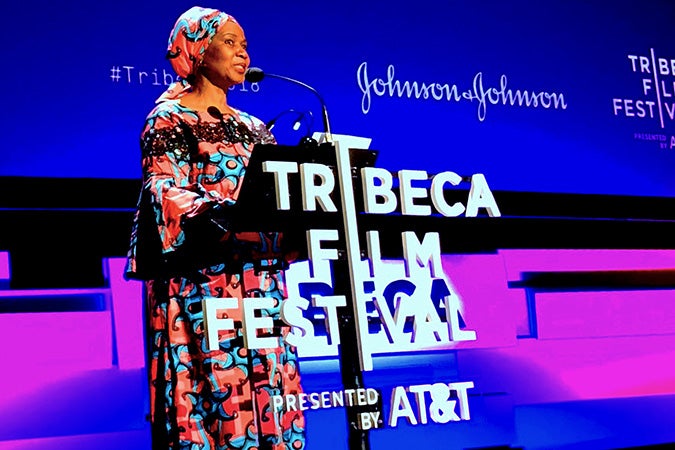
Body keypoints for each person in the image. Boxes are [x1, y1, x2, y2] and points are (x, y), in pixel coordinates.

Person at [124, 6, 306, 450]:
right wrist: (228, 217)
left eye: (245, 44)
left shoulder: (254, 127)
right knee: (212, 399)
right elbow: (165, 189)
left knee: (272, 392)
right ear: (199, 49)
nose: (242, 52)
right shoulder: (169, 117)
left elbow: (275, 195)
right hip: (201, 284)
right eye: (230, 42)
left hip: (260, 284)